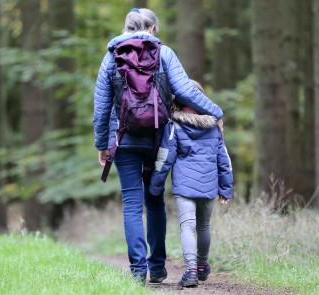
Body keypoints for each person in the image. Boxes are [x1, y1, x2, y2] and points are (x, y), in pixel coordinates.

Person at [93, 8, 224, 284]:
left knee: (131, 203)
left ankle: (138, 271)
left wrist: (102, 144)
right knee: (154, 200)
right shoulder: (164, 54)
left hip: (124, 139)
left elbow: (101, 107)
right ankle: (158, 267)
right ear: (152, 28)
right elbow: (186, 91)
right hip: (158, 139)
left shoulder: (111, 57)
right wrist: (216, 112)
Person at [148, 81, 233, 288]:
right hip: (209, 184)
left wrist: (155, 185)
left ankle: (191, 271)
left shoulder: (174, 125)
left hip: (185, 186)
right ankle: (203, 266)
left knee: (188, 226)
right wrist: (225, 188)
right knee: (203, 226)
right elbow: (224, 160)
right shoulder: (214, 126)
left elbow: (165, 157)